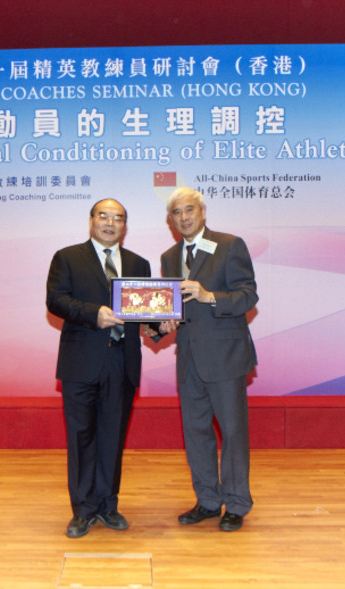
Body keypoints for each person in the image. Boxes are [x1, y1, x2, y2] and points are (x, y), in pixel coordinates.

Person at [46, 198, 152, 538]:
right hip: (81, 362)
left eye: (118, 218)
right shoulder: (68, 257)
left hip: (122, 362)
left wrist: (160, 322)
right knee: (81, 437)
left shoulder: (139, 263)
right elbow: (56, 300)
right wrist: (95, 314)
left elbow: (145, 311)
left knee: (112, 437)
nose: (110, 223)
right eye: (103, 216)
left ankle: (108, 504)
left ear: (125, 225)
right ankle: (83, 509)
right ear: (91, 220)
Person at [157, 186, 258, 532]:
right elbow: (171, 307)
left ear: (202, 212)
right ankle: (208, 501)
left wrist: (209, 295)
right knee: (196, 433)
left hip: (226, 357)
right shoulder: (169, 257)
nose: (183, 217)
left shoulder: (230, 245)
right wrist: (162, 323)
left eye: (189, 210)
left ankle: (237, 503)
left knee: (232, 433)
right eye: (176, 213)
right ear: (170, 220)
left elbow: (248, 296)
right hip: (188, 359)